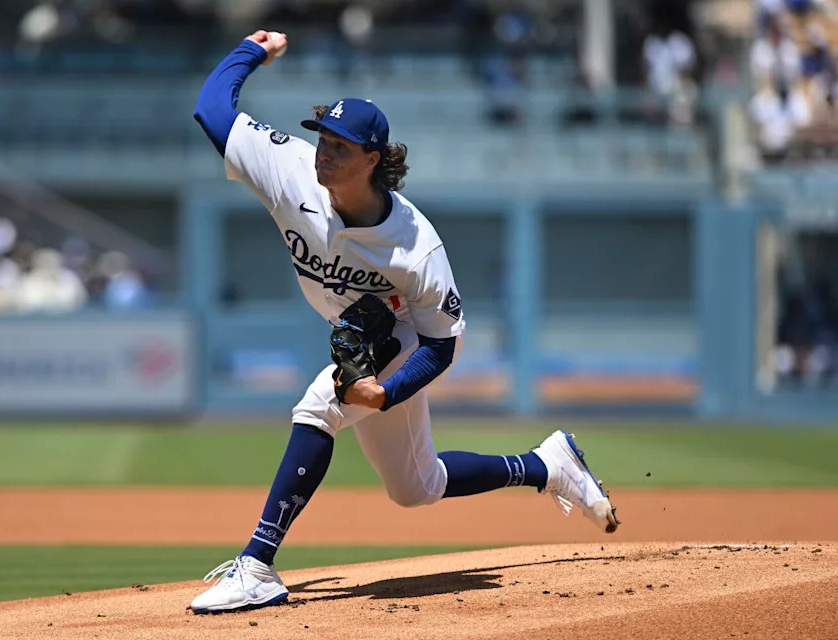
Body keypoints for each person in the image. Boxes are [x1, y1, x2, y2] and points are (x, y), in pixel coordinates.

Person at [188, 30, 620, 615]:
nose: (324, 153)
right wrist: (251, 51)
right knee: (416, 489)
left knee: (317, 408)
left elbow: (441, 347)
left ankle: (258, 566)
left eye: (341, 146)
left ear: (373, 159)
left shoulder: (415, 248)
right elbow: (211, 107)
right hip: (357, 340)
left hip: (398, 339)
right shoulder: (288, 167)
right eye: (323, 138)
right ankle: (546, 465)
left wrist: (385, 391)